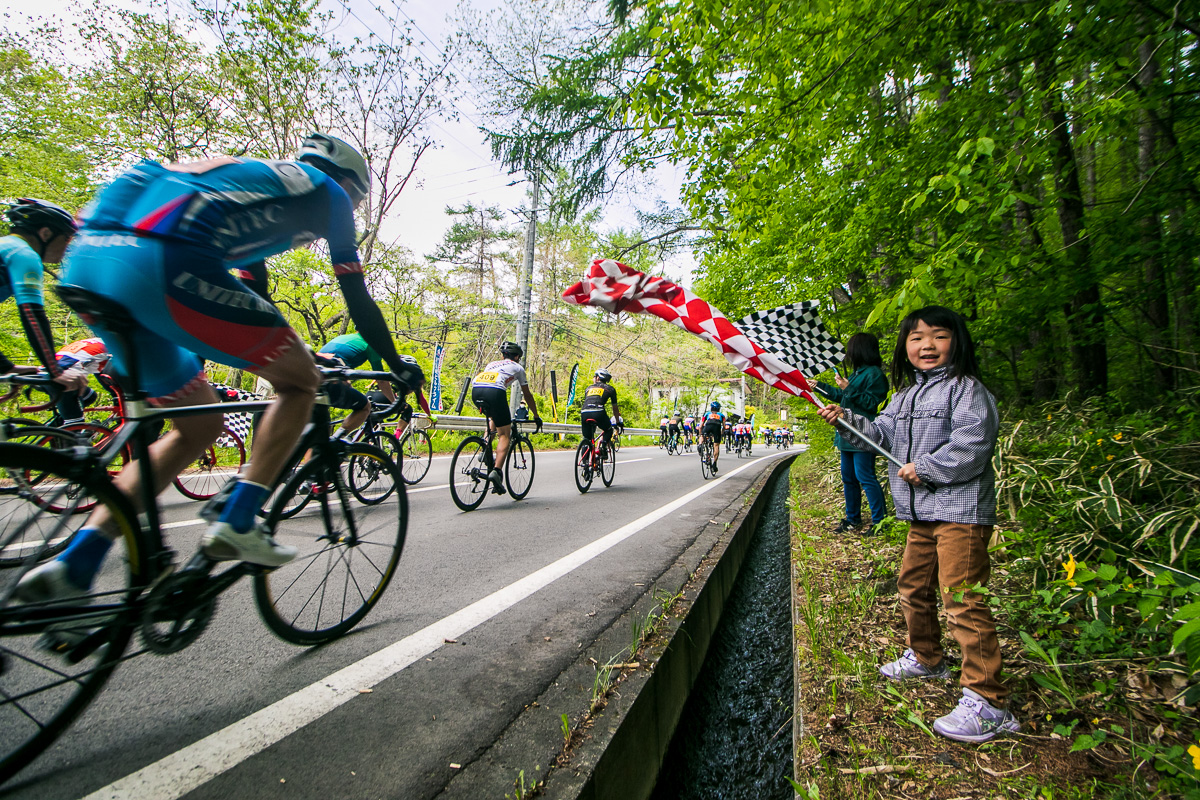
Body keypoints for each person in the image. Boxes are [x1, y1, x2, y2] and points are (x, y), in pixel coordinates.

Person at [18, 133, 424, 603]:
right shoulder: (328, 193)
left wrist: (300, 352)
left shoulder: (253, 186)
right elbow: (356, 296)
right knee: (300, 386)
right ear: (350, 186)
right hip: (162, 258)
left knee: (198, 425)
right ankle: (238, 517)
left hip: (88, 265)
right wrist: (395, 365)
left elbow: (257, 299)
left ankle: (76, 562)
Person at [816, 305, 1017, 744]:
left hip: (960, 514)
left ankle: (989, 701)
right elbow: (881, 435)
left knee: (962, 600)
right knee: (912, 586)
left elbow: (973, 445)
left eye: (938, 336)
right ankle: (927, 657)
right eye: (916, 338)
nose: (927, 345)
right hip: (920, 514)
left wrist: (924, 467)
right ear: (904, 349)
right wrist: (846, 420)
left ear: (956, 342)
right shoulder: (905, 397)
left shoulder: (967, 390)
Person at [0, 199, 89, 393]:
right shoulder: (23, 253)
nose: (68, 248)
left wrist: (6, 367)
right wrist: (55, 370)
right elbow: (32, 315)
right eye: (67, 239)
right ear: (46, 233)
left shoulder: (7, 247)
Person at [815, 333, 890, 536]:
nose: (848, 353)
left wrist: (849, 388)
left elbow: (871, 403)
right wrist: (819, 386)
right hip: (847, 433)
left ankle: (880, 522)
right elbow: (842, 396)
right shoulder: (858, 374)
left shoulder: (874, 374)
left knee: (865, 476)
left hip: (863, 433)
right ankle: (852, 519)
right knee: (848, 477)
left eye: (851, 349)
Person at [471, 341, 542, 494]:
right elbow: (527, 395)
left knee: (493, 419)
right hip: (495, 392)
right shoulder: (518, 368)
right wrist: (536, 415)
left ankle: (484, 448)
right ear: (517, 356)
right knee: (504, 434)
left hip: (476, 389)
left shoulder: (491, 364)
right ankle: (496, 471)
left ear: (503, 355)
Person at [317, 332, 397, 439]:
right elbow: (381, 379)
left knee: (320, 435)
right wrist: (395, 403)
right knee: (365, 406)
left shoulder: (345, 338)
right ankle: (338, 441)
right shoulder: (371, 343)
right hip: (329, 379)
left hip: (311, 375)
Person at [53, 337, 113, 423]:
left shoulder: (97, 342)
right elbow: (110, 381)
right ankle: (71, 430)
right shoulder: (113, 348)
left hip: (45, 374)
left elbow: (102, 373)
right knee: (76, 429)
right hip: (63, 379)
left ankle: (59, 427)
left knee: (90, 396)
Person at [579, 368, 620, 455]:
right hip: (598, 412)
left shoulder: (588, 389)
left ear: (597, 378)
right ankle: (603, 447)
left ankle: (585, 463)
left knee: (587, 438)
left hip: (584, 412)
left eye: (594, 377)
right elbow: (615, 408)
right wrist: (617, 421)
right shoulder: (610, 389)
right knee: (608, 430)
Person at [700, 401, 725, 473]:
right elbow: (724, 427)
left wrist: (700, 434)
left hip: (708, 425)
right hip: (717, 427)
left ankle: (701, 445)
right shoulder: (722, 415)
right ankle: (714, 463)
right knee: (716, 445)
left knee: (703, 436)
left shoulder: (707, 414)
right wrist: (721, 433)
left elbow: (701, 425)